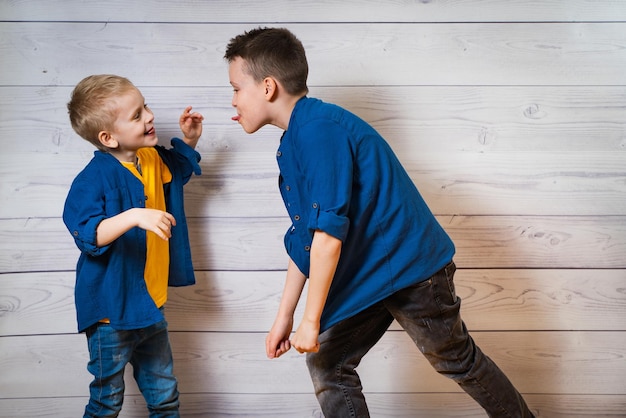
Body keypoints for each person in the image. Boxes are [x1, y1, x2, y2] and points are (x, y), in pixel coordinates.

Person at [224, 27, 535, 417]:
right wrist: (284, 318)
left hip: (412, 269)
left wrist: (310, 320)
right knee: (327, 364)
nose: (233, 101)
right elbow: (305, 238)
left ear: (267, 87)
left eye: (236, 88)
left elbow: (328, 239)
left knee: (454, 359)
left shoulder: (320, 130)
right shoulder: (295, 141)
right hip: (374, 272)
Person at [63, 74, 203, 417]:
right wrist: (134, 216)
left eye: (146, 107)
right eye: (137, 115)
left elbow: (179, 170)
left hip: (149, 304)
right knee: (106, 400)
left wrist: (190, 140)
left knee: (165, 396)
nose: (150, 116)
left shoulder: (151, 157)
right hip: (111, 312)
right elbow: (87, 232)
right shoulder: (93, 178)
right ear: (108, 137)